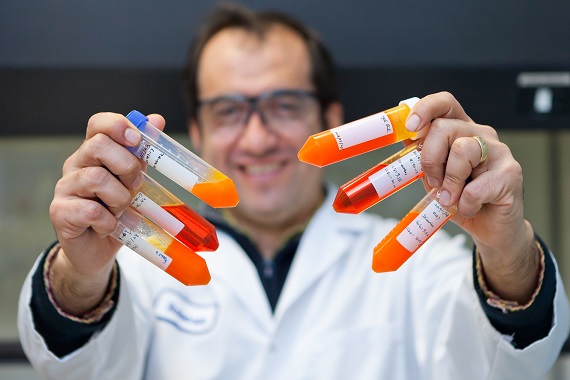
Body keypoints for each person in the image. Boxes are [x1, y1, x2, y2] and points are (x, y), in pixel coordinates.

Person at [18, 3, 569, 380]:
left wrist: (507, 247)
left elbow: (509, 363)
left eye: (283, 105)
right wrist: (80, 274)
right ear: (199, 131)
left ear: (330, 119)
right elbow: (73, 368)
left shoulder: (419, 265)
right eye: (230, 110)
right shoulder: (133, 263)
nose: (258, 138)